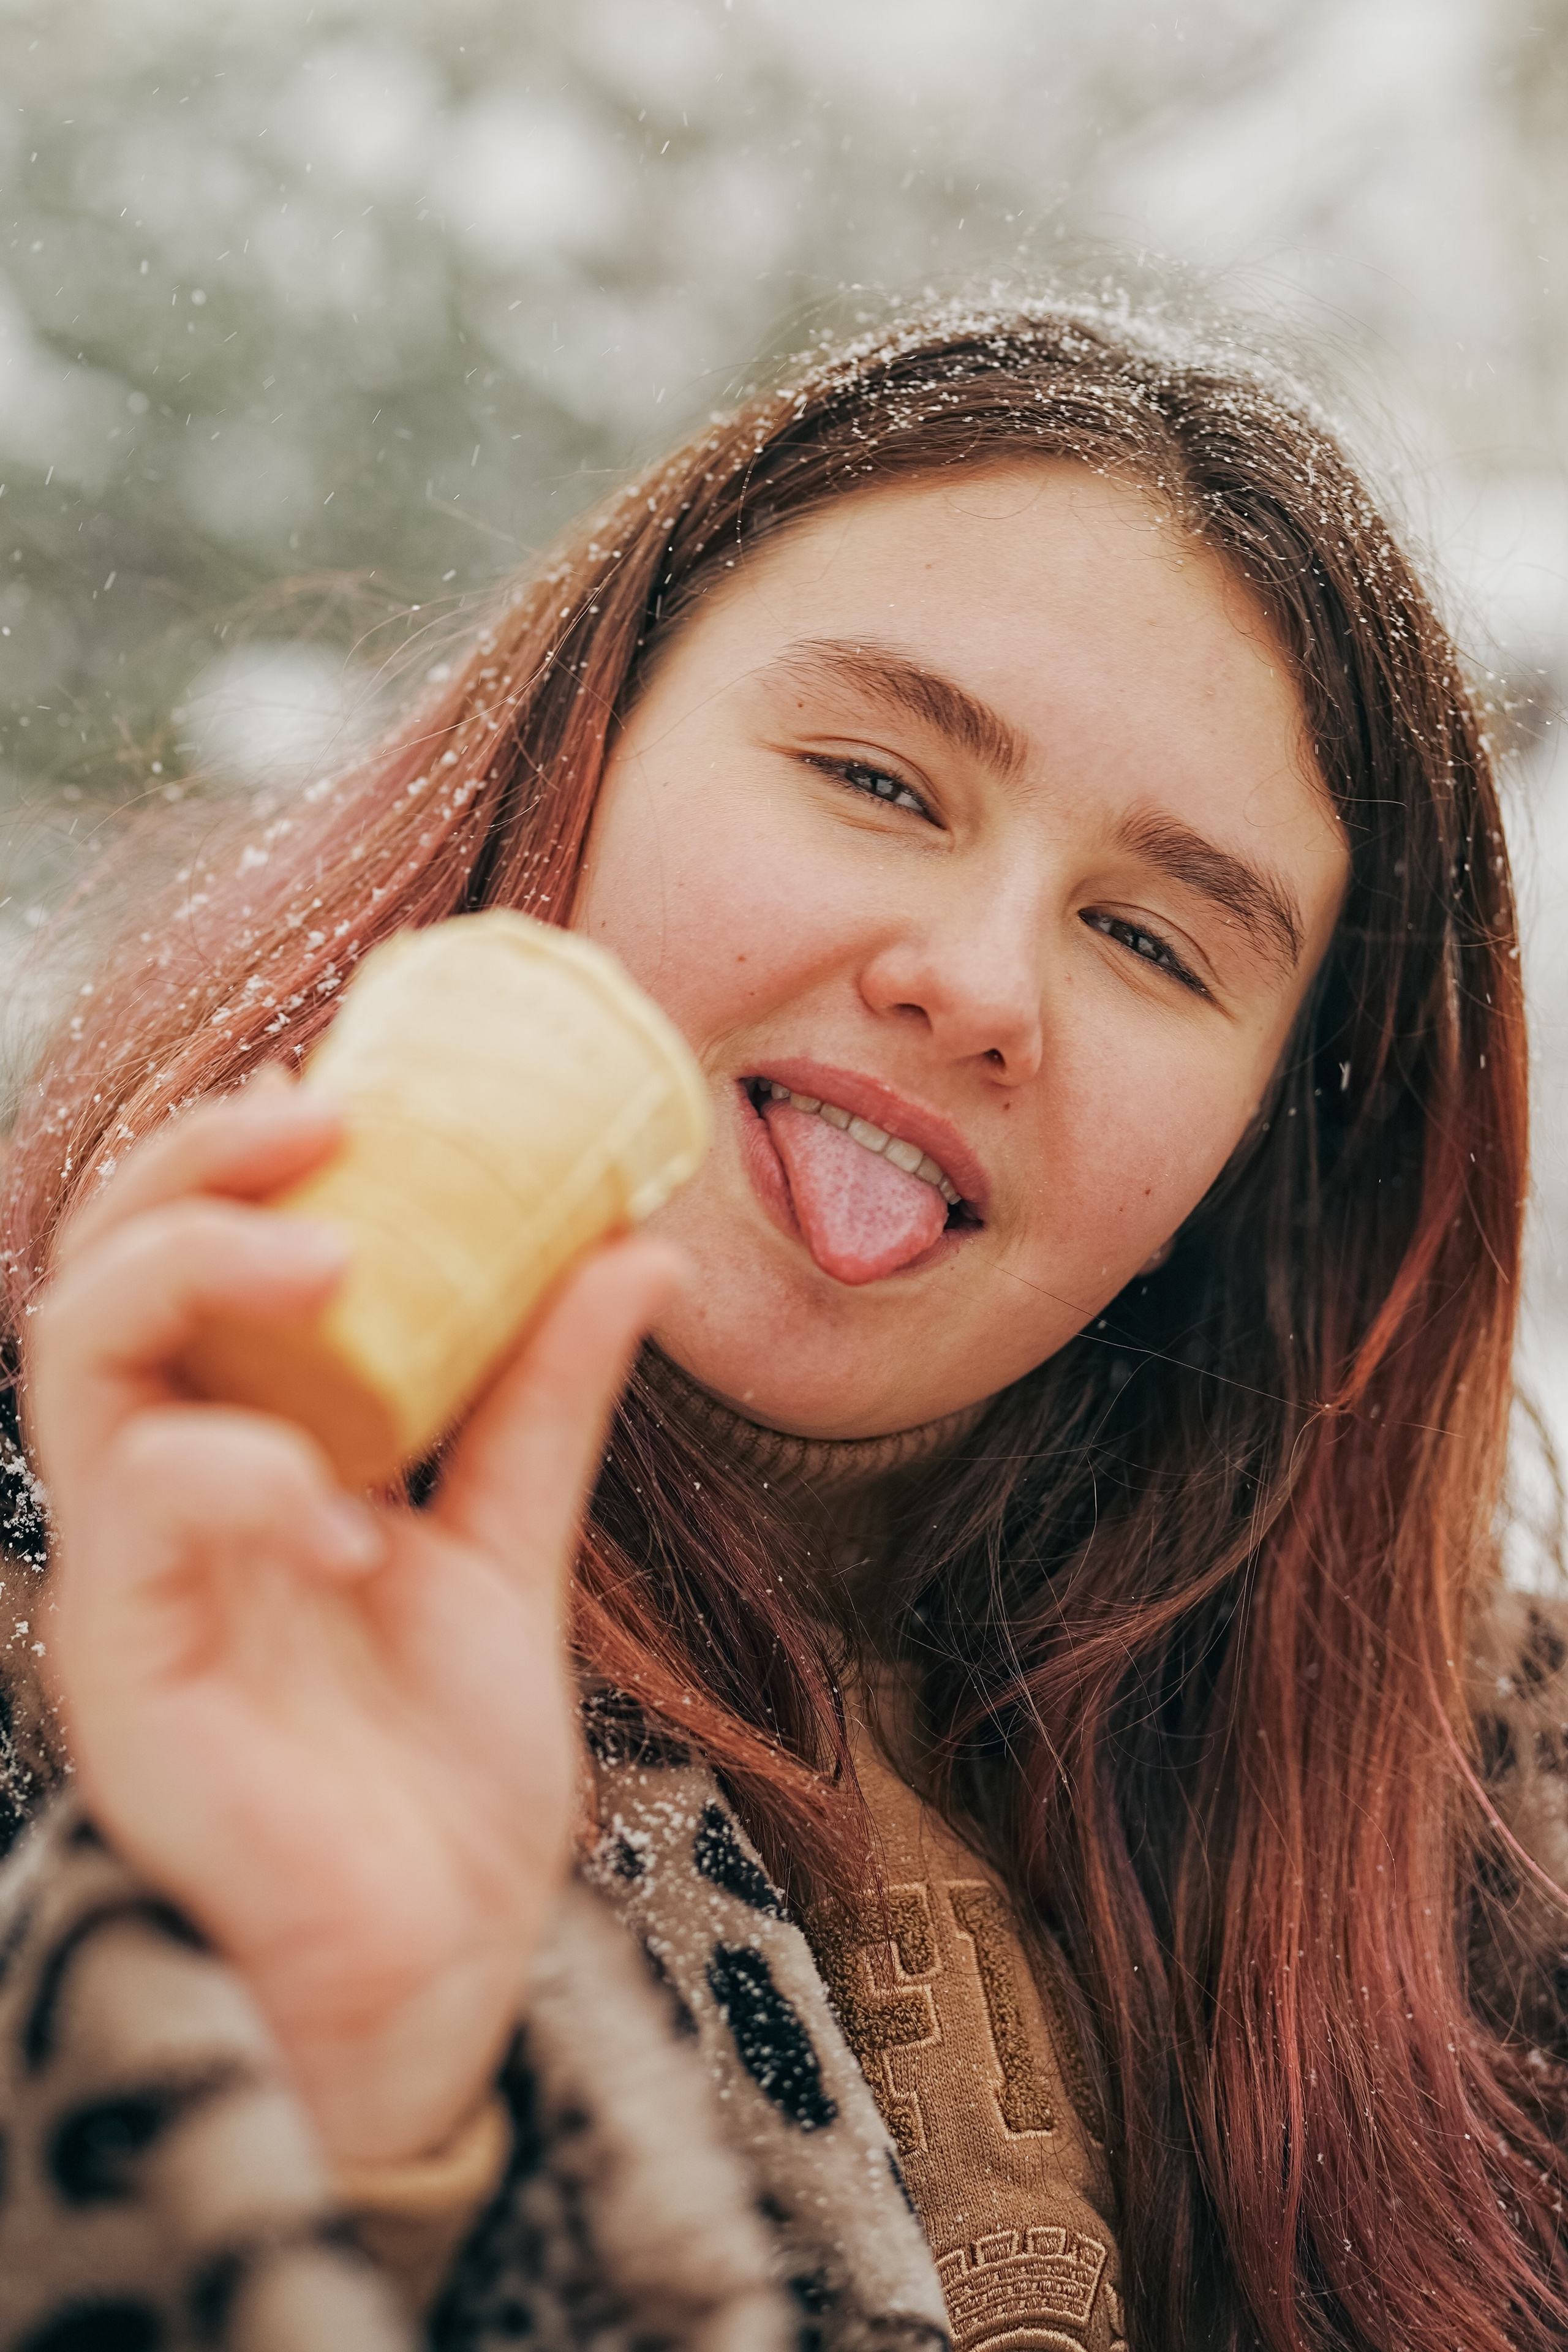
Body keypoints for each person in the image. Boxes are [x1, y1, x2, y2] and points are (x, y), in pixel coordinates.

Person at [0, 299, 1562, 2352]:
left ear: (1275, 1139)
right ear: (581, 745)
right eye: (877, 779)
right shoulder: (98, 1599)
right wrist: (369, 2101)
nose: (982, 979)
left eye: (1151, 937)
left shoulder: (1473, 1832)